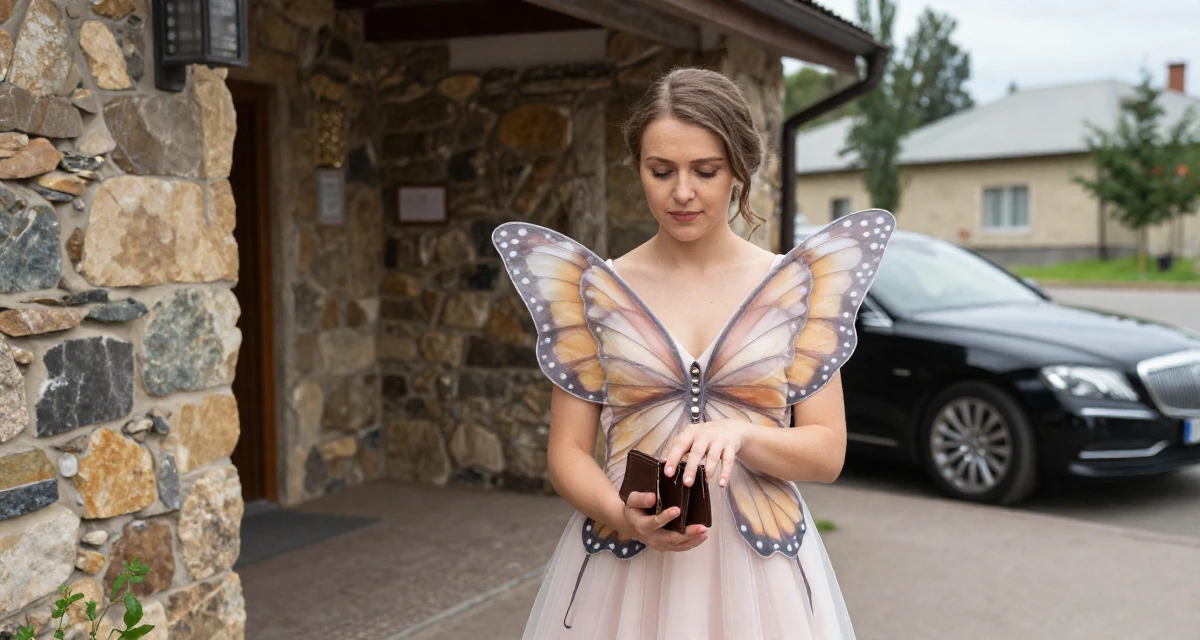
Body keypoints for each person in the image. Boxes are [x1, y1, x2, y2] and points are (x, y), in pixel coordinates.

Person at [493, 67, 894, 639]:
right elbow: (568, 452)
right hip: (627, 561)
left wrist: (741, 434)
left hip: (762, 569)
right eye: (662, 171)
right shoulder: (598, 291)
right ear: (638, 170)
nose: (683, 192)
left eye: (705, 171)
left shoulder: (793, 287)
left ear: (738, 171)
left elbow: (827, 453)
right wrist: (619, 516)